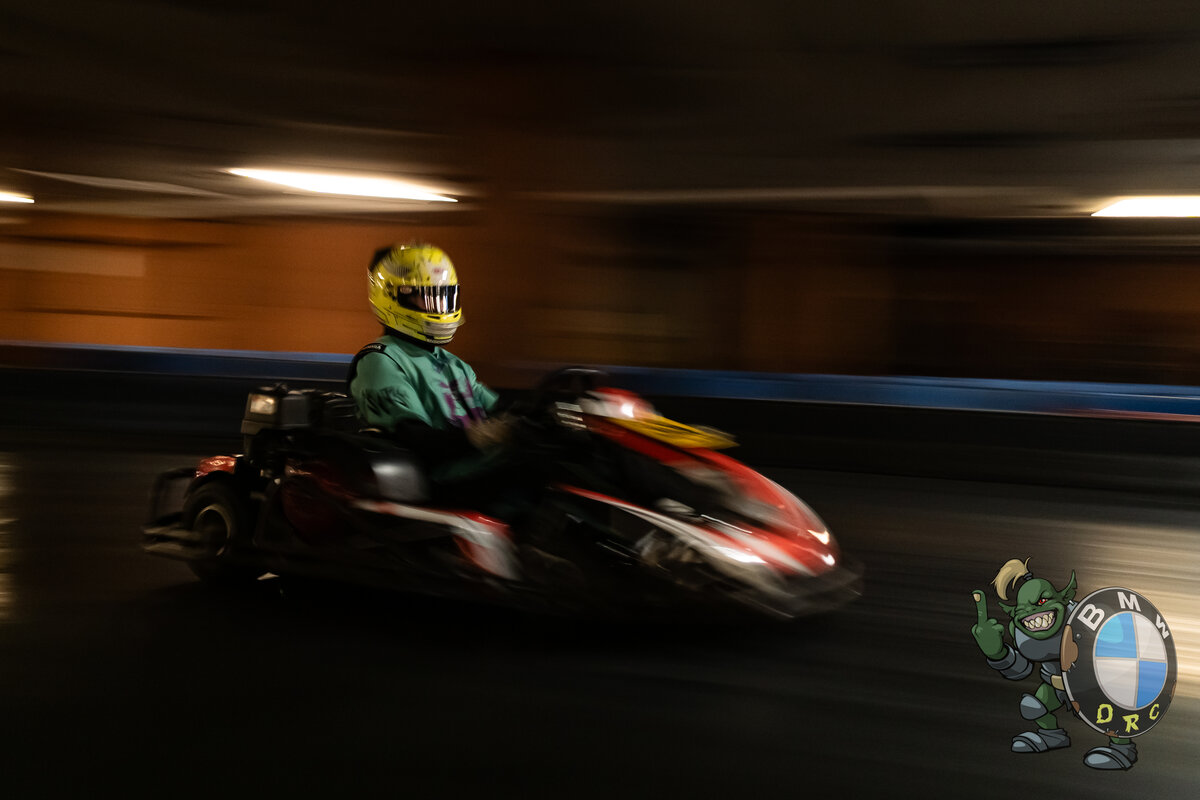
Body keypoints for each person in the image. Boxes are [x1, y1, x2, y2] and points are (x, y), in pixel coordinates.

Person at [348, 243, 514, 496]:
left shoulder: (453, 364)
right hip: (444, 482)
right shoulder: (381, 360)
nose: (438, 307)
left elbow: (500, 409)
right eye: (427, 298)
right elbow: (413, 439)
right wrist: (478, 438)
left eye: (444, 297)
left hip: (485, 470)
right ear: (394, 297)